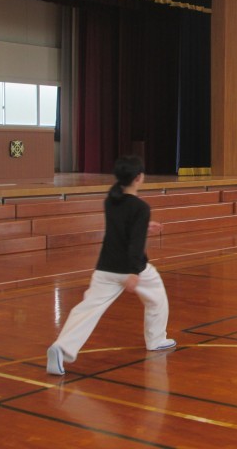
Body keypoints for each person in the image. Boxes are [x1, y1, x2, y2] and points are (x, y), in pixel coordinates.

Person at [46, 155, 176, 376]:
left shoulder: (111, 200)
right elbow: (135, 244)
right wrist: (133, 273)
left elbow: (122, 228)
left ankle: (61, 348)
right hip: (131, 268)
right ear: (139, 178)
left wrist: (144, 226)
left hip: (105, 267)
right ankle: (156, 340)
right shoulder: (141, 207)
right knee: (157, 297)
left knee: (87, 309)